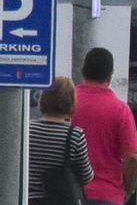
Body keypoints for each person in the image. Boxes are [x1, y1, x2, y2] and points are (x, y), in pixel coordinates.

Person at [75, 48, 137, 205]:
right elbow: (131, 159)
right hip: (108, 194)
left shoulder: (68, 103)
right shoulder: (120, 110)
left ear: (83, 70)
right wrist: (128, 190)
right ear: (110, 75)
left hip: (70, 192)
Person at [28, 76, 93, 205]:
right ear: (71, 102)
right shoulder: (75, 135)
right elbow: (86, 176)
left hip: (30, 198)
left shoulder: (29, 129)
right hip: (60, 199)